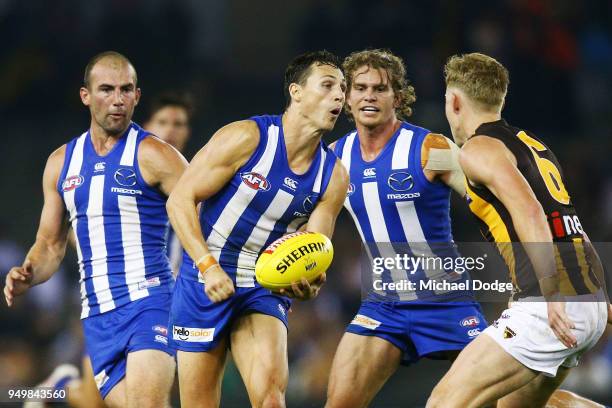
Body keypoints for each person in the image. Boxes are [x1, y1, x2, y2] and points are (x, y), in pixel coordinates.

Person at [4, 51, 188, 408]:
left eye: (126, 90)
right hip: (98, 316)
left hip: (151, 302)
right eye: (106, 89)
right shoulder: (61, 163)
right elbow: (50, 244)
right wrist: (29, 273)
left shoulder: (156, 155)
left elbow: (206, 209)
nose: (117, 100)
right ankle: (67, 385)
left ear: (137, 96)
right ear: (85, 96)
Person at [427, 52, 612, 408]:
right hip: (586, 301)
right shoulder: (531, 145)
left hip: (549, 305)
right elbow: (569, 225)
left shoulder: (478, 149)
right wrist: (599, 297)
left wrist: (552, 293)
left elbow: (529, 211)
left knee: (443, 403)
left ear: (453, 101)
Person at [166, 50, 349, 407]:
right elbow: (179, 200)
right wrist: (207, 265)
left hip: (264, 284)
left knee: (270, 399)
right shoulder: (247, 138)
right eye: (327, 86)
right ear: (296, 92)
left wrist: (311, 281)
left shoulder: (334, 175)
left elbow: (316, 248)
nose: (339, 96)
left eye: (342, 88)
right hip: (206, 277)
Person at [325, 49, 488, 408]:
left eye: (380, 88)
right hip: (384, 305)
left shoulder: (432, 147)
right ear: (347, 97)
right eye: (360, 87)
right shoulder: (335, 156)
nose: (369, 95)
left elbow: (488, 206)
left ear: (397, 97)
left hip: (445, 300)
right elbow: (312, 222)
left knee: (506, 401)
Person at [143, 91, 194, 275]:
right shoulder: (129, 178)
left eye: (178, 124)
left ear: (187, 132)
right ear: (147, 127)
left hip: (185, 290)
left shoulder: (200, 178)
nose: (171, 130)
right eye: (162, 122)